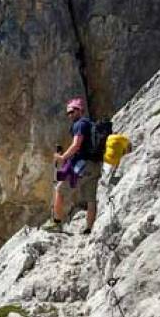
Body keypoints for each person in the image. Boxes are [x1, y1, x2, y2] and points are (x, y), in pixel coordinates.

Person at [43, 97, 100, 234]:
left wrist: (62, 157)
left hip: (83, 166)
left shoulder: (79, 124)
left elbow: (76, 145)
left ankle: (56, 222)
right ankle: (88, 229)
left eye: (72, 112)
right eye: (68, 113)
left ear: (80, 110)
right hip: (95, 166)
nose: (70, 115)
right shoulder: (90, 124)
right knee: (91, 198)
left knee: (60, 190)